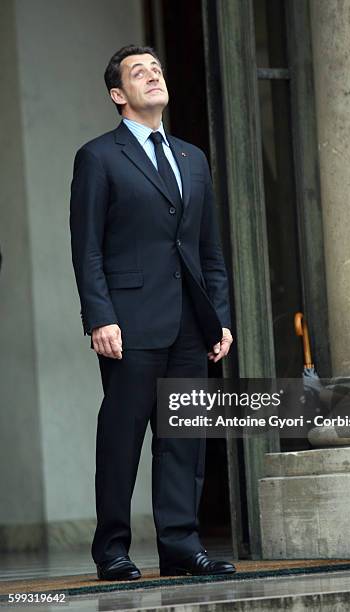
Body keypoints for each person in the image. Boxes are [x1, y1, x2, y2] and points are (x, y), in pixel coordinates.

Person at [69, 45, 235, 581]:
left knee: (184, 436)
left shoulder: (192, 157)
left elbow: (208, 249)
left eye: (157, 68)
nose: (153, 76)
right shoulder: (99, 157)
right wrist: (99, 316)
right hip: (129, 321)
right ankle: (112, 549)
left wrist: (220, 317)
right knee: (122, 437)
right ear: (119, 96)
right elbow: (87, 247)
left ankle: (182, 545)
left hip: (190, 321)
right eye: (138, 72)